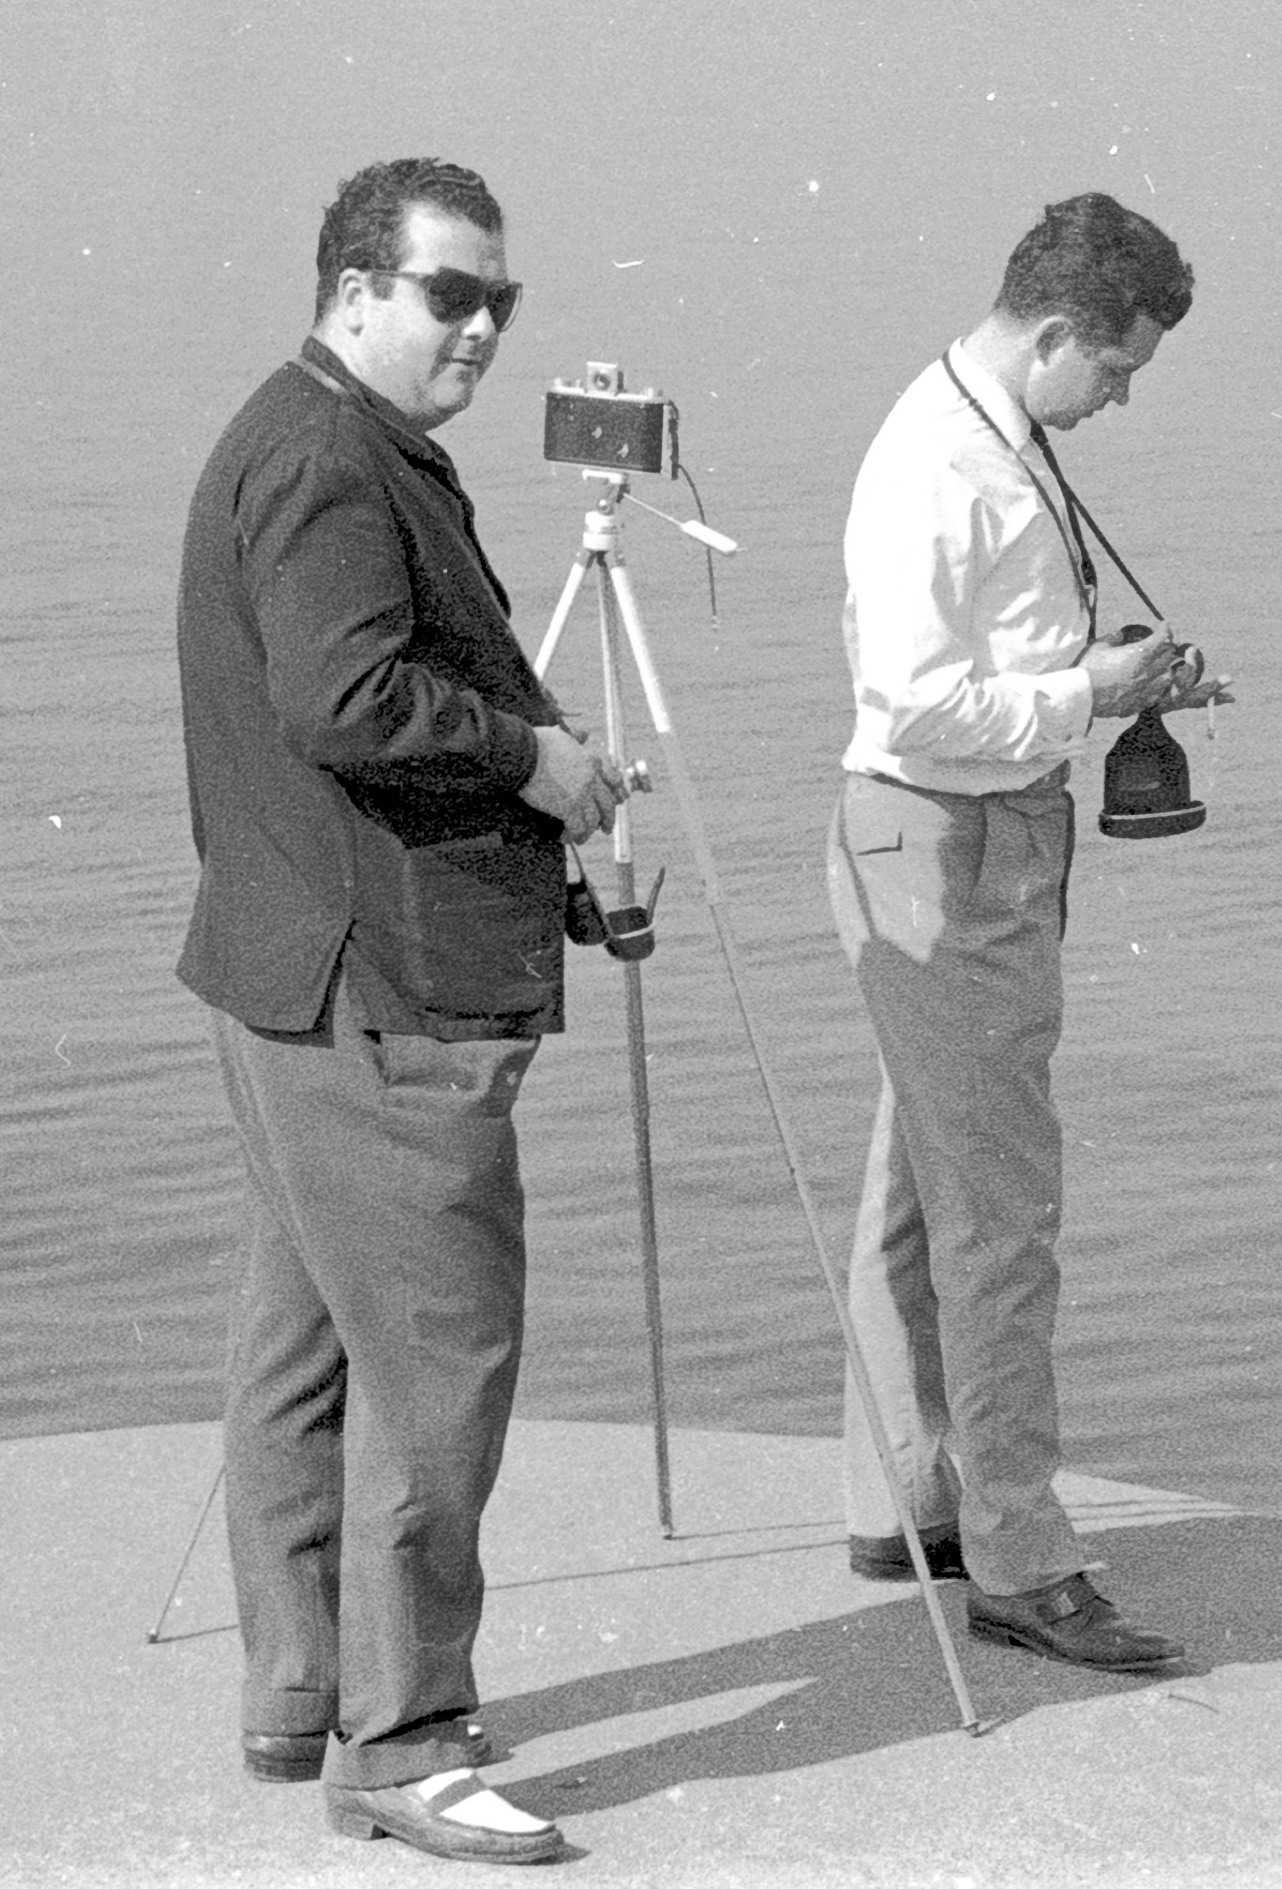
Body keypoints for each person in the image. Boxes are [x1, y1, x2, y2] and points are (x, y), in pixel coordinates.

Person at [176, 156, 628, 1865]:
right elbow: (347, 694)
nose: (483, 328)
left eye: (500, 300)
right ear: (356, 286)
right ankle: (411, 1735)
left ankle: (307, 1694)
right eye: (451, 294)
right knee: (439, 1358)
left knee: (303, 1348)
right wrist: (539, 757)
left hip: (295, 968)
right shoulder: (322, 456)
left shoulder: (317, 435)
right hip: (379, 991)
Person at [825, 193, 1224, 1670]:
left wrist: (1093, 672)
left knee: (924, 1190)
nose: (1114, 401)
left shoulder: (979, 428)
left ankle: (908, 1498)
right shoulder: (943, 462)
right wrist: (1093, 696)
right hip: (949, 838)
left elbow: (970, 661)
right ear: (1053, 330)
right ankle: (1019, 1559)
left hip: (948, 839)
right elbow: (915, 702)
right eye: (1111, 372)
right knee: (1003, 1218)